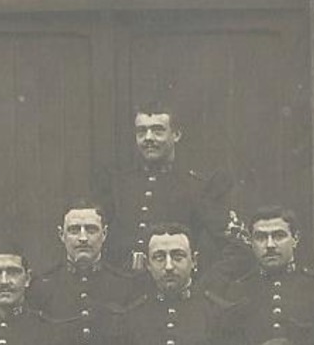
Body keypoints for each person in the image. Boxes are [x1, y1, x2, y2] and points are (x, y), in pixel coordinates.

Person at [96, 103, 249, 279]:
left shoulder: (197, 187)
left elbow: (239, 248)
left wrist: (204, 286)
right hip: (120, 295)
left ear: (176, 135)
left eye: (157, 131)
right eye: (141, 131)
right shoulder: (118, 184)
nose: (148, 138)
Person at [114, 223, 239, 345]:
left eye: (178, 256)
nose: (169, 266)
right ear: (147, 264)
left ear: (194, 261)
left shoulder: (216, 313)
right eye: (159, 257)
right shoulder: (131, 317)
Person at [28, 199, 142, 345]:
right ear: (61, 235)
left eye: (91, 230)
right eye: (74, 230)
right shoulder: (41, 287)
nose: (82, 238)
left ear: (104, 234)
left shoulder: (126, 285)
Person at [222, 206, 314, 345]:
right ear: (251, 242)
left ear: (295, 238)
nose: (270, 245)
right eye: (261, 237)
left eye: (278, 236)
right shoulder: (238, 290)